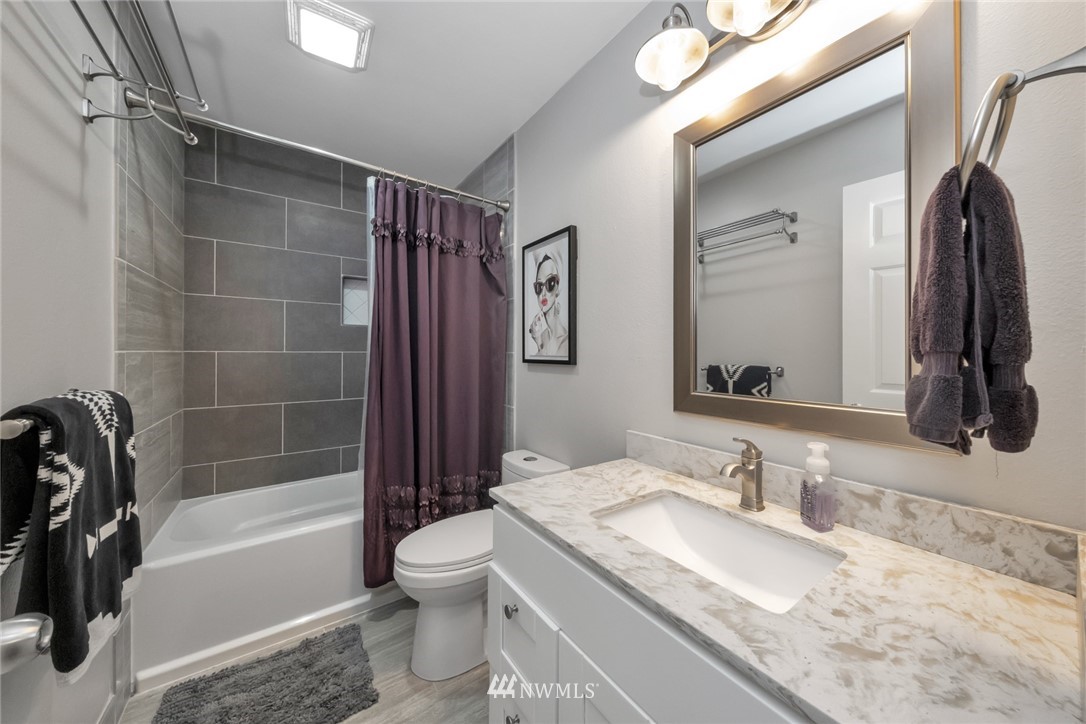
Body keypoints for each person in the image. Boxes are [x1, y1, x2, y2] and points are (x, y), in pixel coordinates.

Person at [528, 252, 568, 356]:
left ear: (558, 287)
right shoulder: (542, 335)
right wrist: (538, 341)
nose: (543, 293)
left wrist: (539, 343)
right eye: (539, 286)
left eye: (550, 283)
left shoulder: (565, 341)